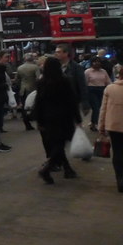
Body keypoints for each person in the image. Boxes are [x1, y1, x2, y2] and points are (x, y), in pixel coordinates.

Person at [31, 56, 81, 184]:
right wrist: (77, 118)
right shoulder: (64, 81)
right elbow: (72, 101)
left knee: (56, 143)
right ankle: (47, 168)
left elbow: (38, 103)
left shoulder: (41, 82)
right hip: (64, 117)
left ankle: (67, 168)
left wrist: (39, 120)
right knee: (60, 144)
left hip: (48, 118)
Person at [54, 43, 89, 117]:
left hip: (72, 100)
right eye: (56, 52)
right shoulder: (54, 66)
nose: (56, 54)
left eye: (58, 52)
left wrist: (85, 103)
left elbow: (82, 85)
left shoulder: (76, 67)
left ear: (66, 53)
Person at [84, 57, 110, 131]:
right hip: (92, 91)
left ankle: (94, 122)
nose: (97, 63)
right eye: (95, 62)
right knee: (96, 108)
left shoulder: (103, 71)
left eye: (98, 61)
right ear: (91, 63)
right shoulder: (87, 71)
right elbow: (84, 83)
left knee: (101, 108)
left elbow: (108, 81)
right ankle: (95, 124)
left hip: (102, 90)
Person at [15, 52, 40, 131]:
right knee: (35, 105)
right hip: (33, 89)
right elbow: (38, 78)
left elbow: (17, 79)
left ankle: (27, 124)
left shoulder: (19, 68)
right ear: (32, 59)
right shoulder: (35, 67)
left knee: (24, 107)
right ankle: (37, 122)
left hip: (23, 89)